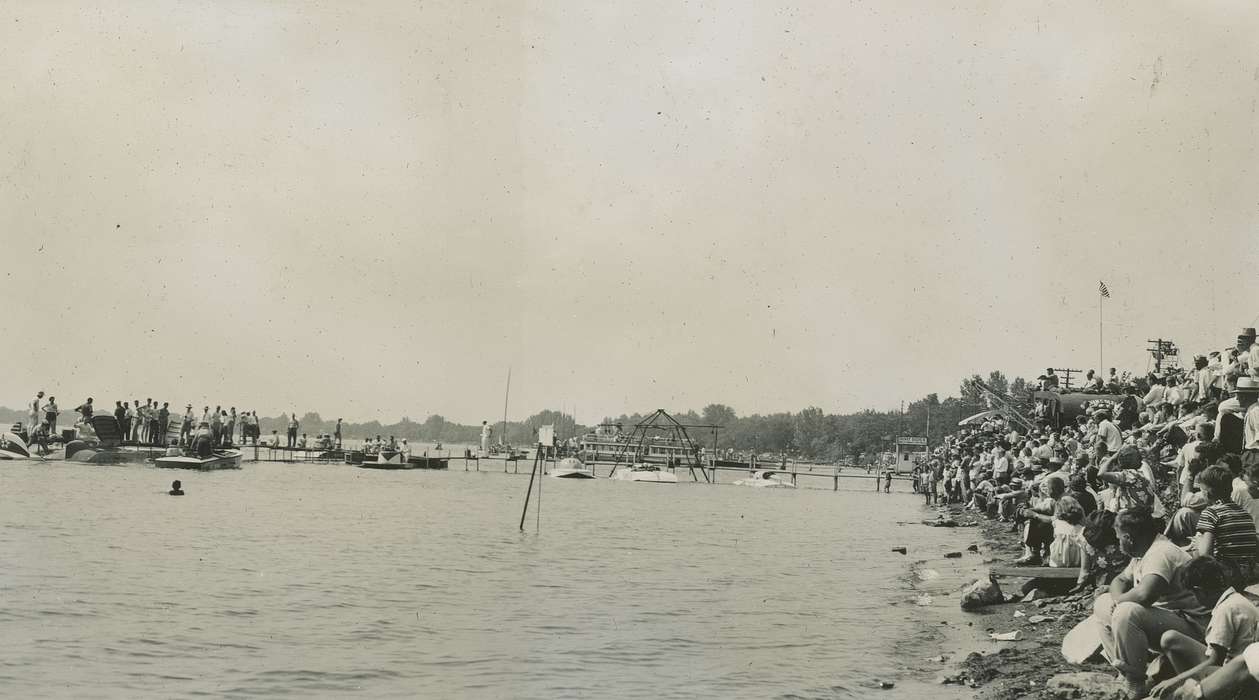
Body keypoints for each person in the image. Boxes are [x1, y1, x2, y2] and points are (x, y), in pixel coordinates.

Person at [1091, 506, 1210, 698]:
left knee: (1127, 611)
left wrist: (1120, 600)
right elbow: (1119, 580)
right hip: (1166, 622)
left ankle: (1136, 683)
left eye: (1119, 536)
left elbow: (1145, 594)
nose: (1117, 540)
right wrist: (1116, 599)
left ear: (1129, 538)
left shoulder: (1160, 552)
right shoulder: (1144, 551)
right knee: (1103, 604)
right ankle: (1128, 672)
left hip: (1190, 628)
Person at [1152, 556, 1259, 698]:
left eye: (1193, 594)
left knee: (1175, 684)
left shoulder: (1226, 609)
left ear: (1200, 591)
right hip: (1242, 664)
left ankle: (1192, 691)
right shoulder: (1236, 599)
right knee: (1170, 638)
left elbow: (1215, 661)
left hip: (1233, 673)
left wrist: (1176, 680)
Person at [1194, 466, 1259, 585]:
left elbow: (1205, 555)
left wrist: (1198, 543)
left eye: (1201, 490)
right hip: (1249, 574)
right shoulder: (1244, 513)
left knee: (1193, 557)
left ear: (1207, 493)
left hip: (1226, 575)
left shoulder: (1211, 513)